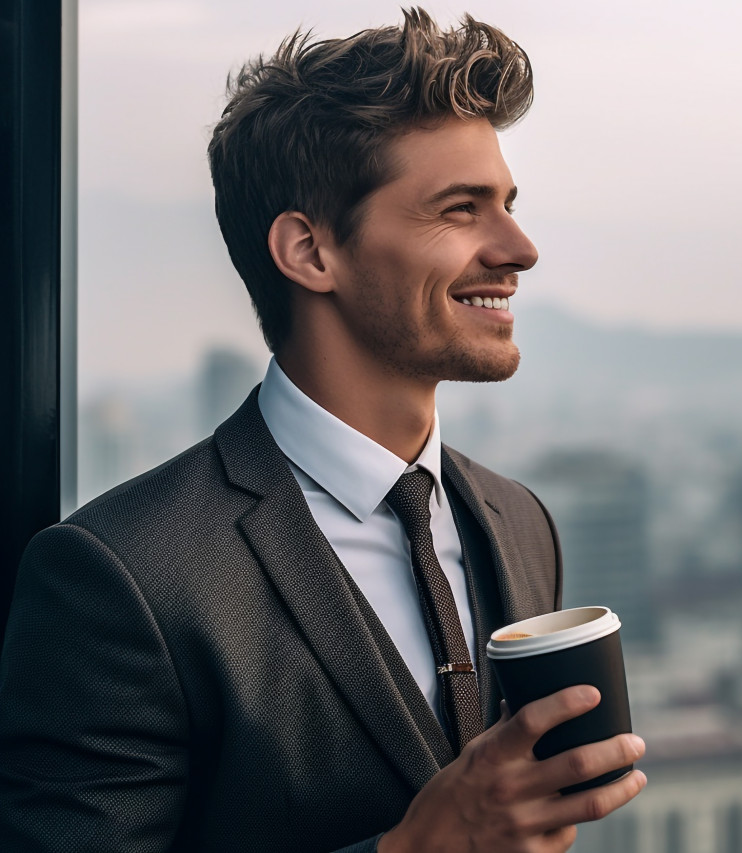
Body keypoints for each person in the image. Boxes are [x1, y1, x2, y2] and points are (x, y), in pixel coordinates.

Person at [0, 9, 645, 852]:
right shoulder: (121, 576)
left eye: (509, 205)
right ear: (309, 252)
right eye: (461, 209)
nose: (519, 248)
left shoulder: (520, 520)